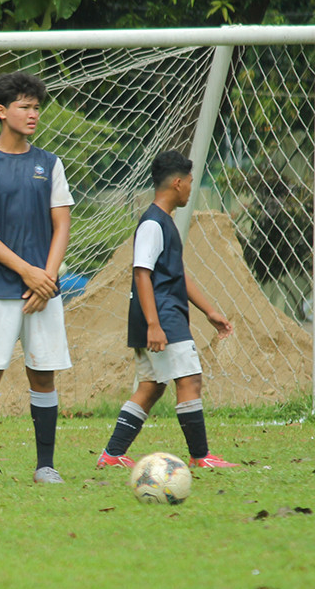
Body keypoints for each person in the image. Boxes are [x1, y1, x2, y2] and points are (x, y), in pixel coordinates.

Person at [0, 71, 75, 486]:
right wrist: (27, 271)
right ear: (1, 111)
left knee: (42, 373)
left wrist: (46, 276)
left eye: (36, 107)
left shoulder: (50, 163)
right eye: (25, 107)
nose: (33, 114)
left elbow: (62, 224)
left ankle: (45, 465)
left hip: (44, 290)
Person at [96, 150, 237, 470]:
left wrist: (208, 310)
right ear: (176, 183)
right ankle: (201, 456)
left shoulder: (165, 223)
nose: (191, 188)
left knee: (151, 386)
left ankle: (112, 454)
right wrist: (154, 325)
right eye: (189, 182)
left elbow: (177, 273)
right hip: (162, 317)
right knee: (190, 379)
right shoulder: (152, 224)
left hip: (159, 315)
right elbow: (141, 272)